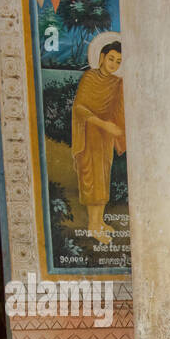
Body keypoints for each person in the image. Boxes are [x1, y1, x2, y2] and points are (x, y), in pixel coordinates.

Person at [71, 39, 125, 245]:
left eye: (118, 61)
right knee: (91, 177)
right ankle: (92, 226)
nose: (113, 64)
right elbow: (80, 108)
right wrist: (104, 125)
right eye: (111, 58)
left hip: (105, 137)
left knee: (103, 175)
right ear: (101, 58)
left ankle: (99, 220)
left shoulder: (117, 82)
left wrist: (116, 127)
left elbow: (120, 108)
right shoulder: (89, 77)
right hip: (88, 133)